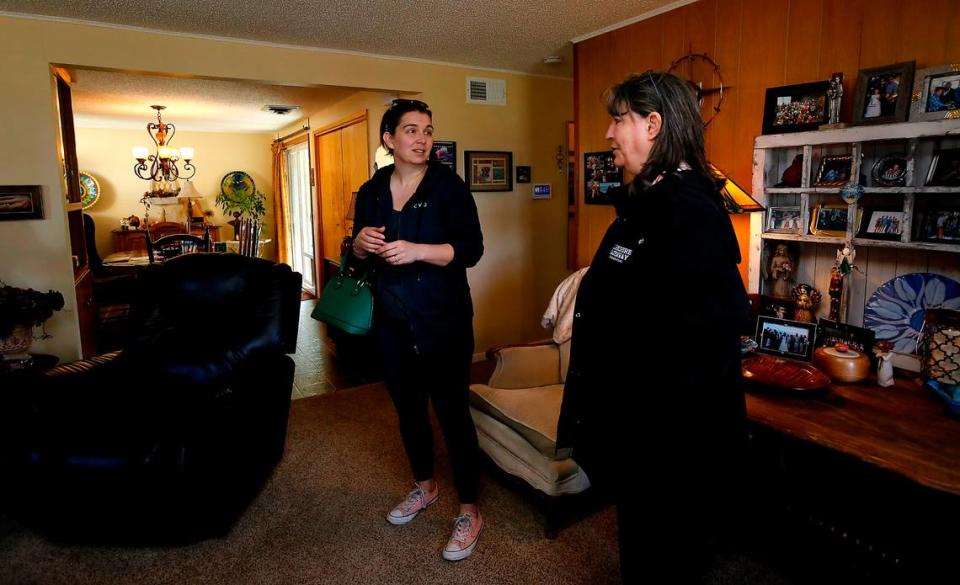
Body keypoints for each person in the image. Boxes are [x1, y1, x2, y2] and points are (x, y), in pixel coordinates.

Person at [556, 71, 750, 584]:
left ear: (654, 124)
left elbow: (713, 329)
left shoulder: (688, 209)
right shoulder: (645, 203)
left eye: (618, 119)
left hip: (670, 443)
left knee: (665, 557)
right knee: (640, 551)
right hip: (641, 432)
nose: (608, 133)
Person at [351, 98, 485, 561]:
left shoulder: (449, 187)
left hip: (443, 321)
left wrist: (419, 250)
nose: (422, 139)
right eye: (411, 130)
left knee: (453, 415)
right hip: (391, 323)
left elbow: (471, 249)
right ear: (389, 139)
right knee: (409, 411)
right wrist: (359, 244)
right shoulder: (370, 192)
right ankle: (424, 487)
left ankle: (470, 508)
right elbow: (356, 257)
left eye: (427, 130)